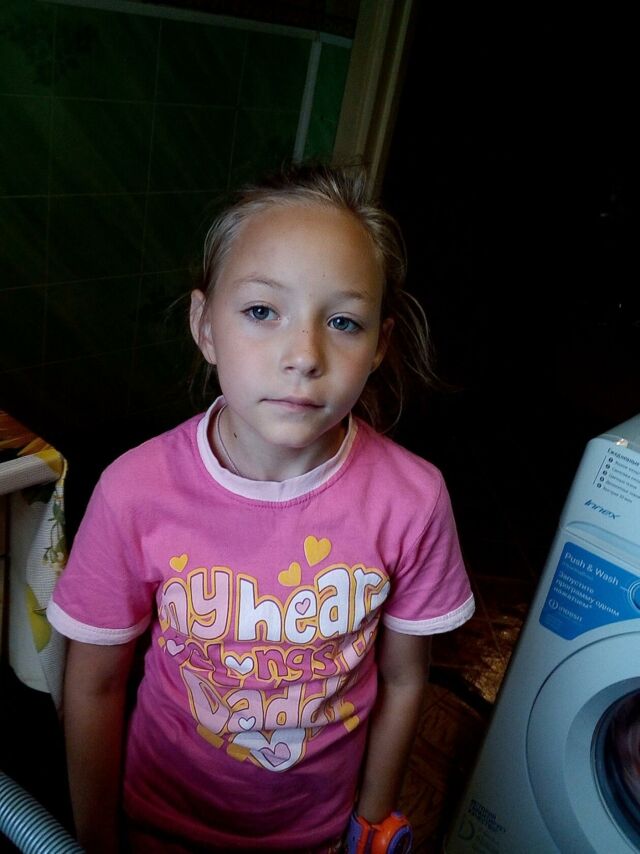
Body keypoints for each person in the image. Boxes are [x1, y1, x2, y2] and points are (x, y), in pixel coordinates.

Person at [47, 163, 475, 853]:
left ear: (379, 346)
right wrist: (97, 839)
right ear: (205, 326)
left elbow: (404, 677)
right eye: (261, 312)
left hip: (321, 836)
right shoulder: (134, 492)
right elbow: (94, 687)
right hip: (158, 829)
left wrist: (369, 825)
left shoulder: (413, 499)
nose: (303, 355)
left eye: (343, 321)